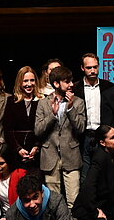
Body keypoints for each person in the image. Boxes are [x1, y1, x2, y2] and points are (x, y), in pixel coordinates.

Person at [35, 66, 86, 205]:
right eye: (67, 81)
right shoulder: (43, 103)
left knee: (73, 200)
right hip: (50, 157)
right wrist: (52, 114)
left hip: (71, 156)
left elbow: (81, 129)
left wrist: (70, 108)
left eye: (71, 81)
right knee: (53, 200)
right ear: (56, 84)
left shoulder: (78, 102)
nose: (71, 84)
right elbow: (38, 131)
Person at [4, 66, 42, 172]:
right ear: (20, 82)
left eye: (32, 80)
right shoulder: (11, 101)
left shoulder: (42, 100)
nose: (29, 84)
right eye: (25, 81)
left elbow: (45, 128)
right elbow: (7, 129)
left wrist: (37, 147)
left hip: (37, 151)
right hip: (16, 152)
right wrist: (18, 149)